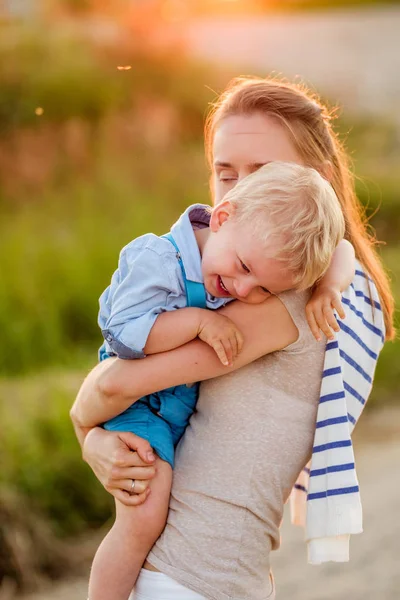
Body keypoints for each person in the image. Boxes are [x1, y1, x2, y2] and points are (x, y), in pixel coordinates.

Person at [71, 77, 394, 600]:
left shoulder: (284, 293)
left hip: (184, 577)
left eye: (263, 172)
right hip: (226, 578)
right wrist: (101, 445)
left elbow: (112, 387)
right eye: (225, 174)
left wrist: (84, 430)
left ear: (320, 182)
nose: (240, 190)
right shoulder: (336, 285)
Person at [89, 162, 349, 600]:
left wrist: (329, 289)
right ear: (222, 217)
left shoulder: (247, 251)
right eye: (244, 267)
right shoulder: (158, 259)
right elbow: (123, 332)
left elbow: (343, 249)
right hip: (143, 403)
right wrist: (195, 322)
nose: (243, 291)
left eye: (263, 289)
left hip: (171, 404)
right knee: (144, 517)